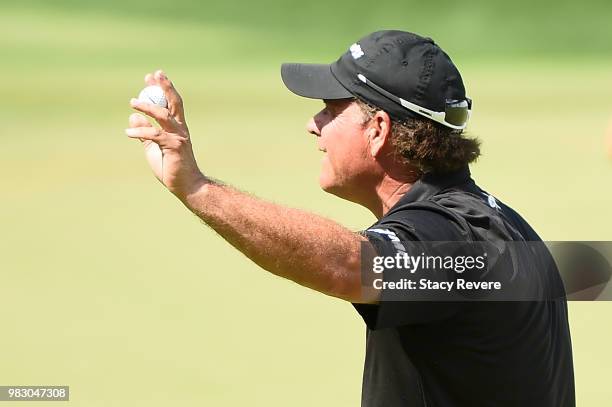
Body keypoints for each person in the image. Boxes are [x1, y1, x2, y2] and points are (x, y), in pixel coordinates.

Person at [126, 30, 575, 406]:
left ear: (378, 130)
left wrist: (197, 188)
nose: (313, 123)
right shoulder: (508, 225)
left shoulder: (454, 241)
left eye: (330, 107)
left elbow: (350, 266)